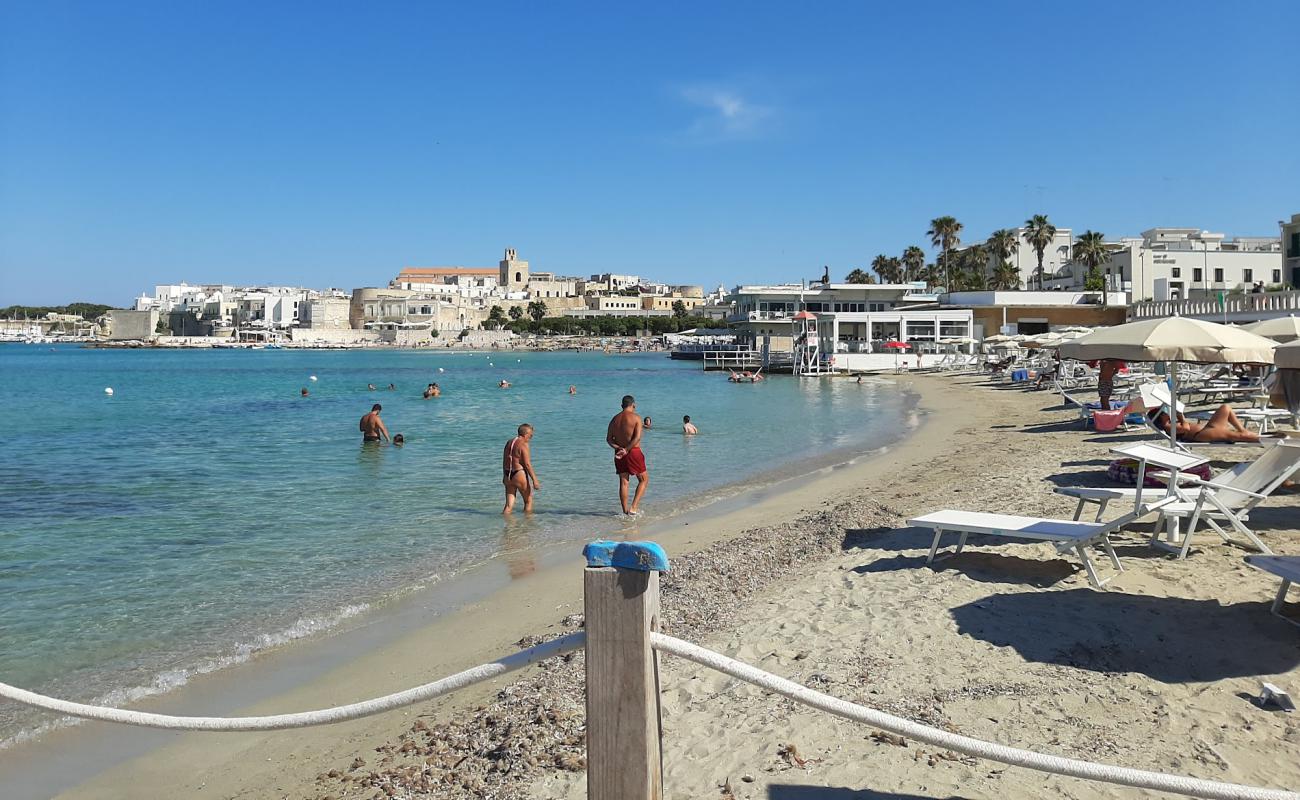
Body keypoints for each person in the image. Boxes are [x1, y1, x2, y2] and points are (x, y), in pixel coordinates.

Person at [607, 395, 648, 515]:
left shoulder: (614, 419)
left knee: (624, 482)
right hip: (633, 451)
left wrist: (619, 448)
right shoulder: (636, 418)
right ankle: (633, 508)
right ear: (633, 405)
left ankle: (625, 512)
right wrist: (626, 449)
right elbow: (637, 437)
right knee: (644, 480)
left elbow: (609, 439)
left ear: (621, 406)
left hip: (619, 453)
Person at [1148, 404, 1263, 444]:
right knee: (1235, 436)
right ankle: (1262, 439)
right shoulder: (1168, 426)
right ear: (1161, 417)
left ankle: (1243, 430)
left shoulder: (1170, 424)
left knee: (1225, 408)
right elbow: (1186, 429)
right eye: (1164, 412)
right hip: (1202, 434)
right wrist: (1181, 416)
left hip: (1206, 429)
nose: (1167, 413)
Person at [502, 423, 540, 514]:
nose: (531, 438)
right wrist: (535, 480)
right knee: (528, 502)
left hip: (508, 474)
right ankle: (527, 526)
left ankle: (507, 526)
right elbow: (527, 464)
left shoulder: (509, 442)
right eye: (531, 435)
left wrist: (504, 475)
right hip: (519, 474)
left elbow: (504, 460)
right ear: (526, 434)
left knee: (508, 506)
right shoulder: (523, 444)